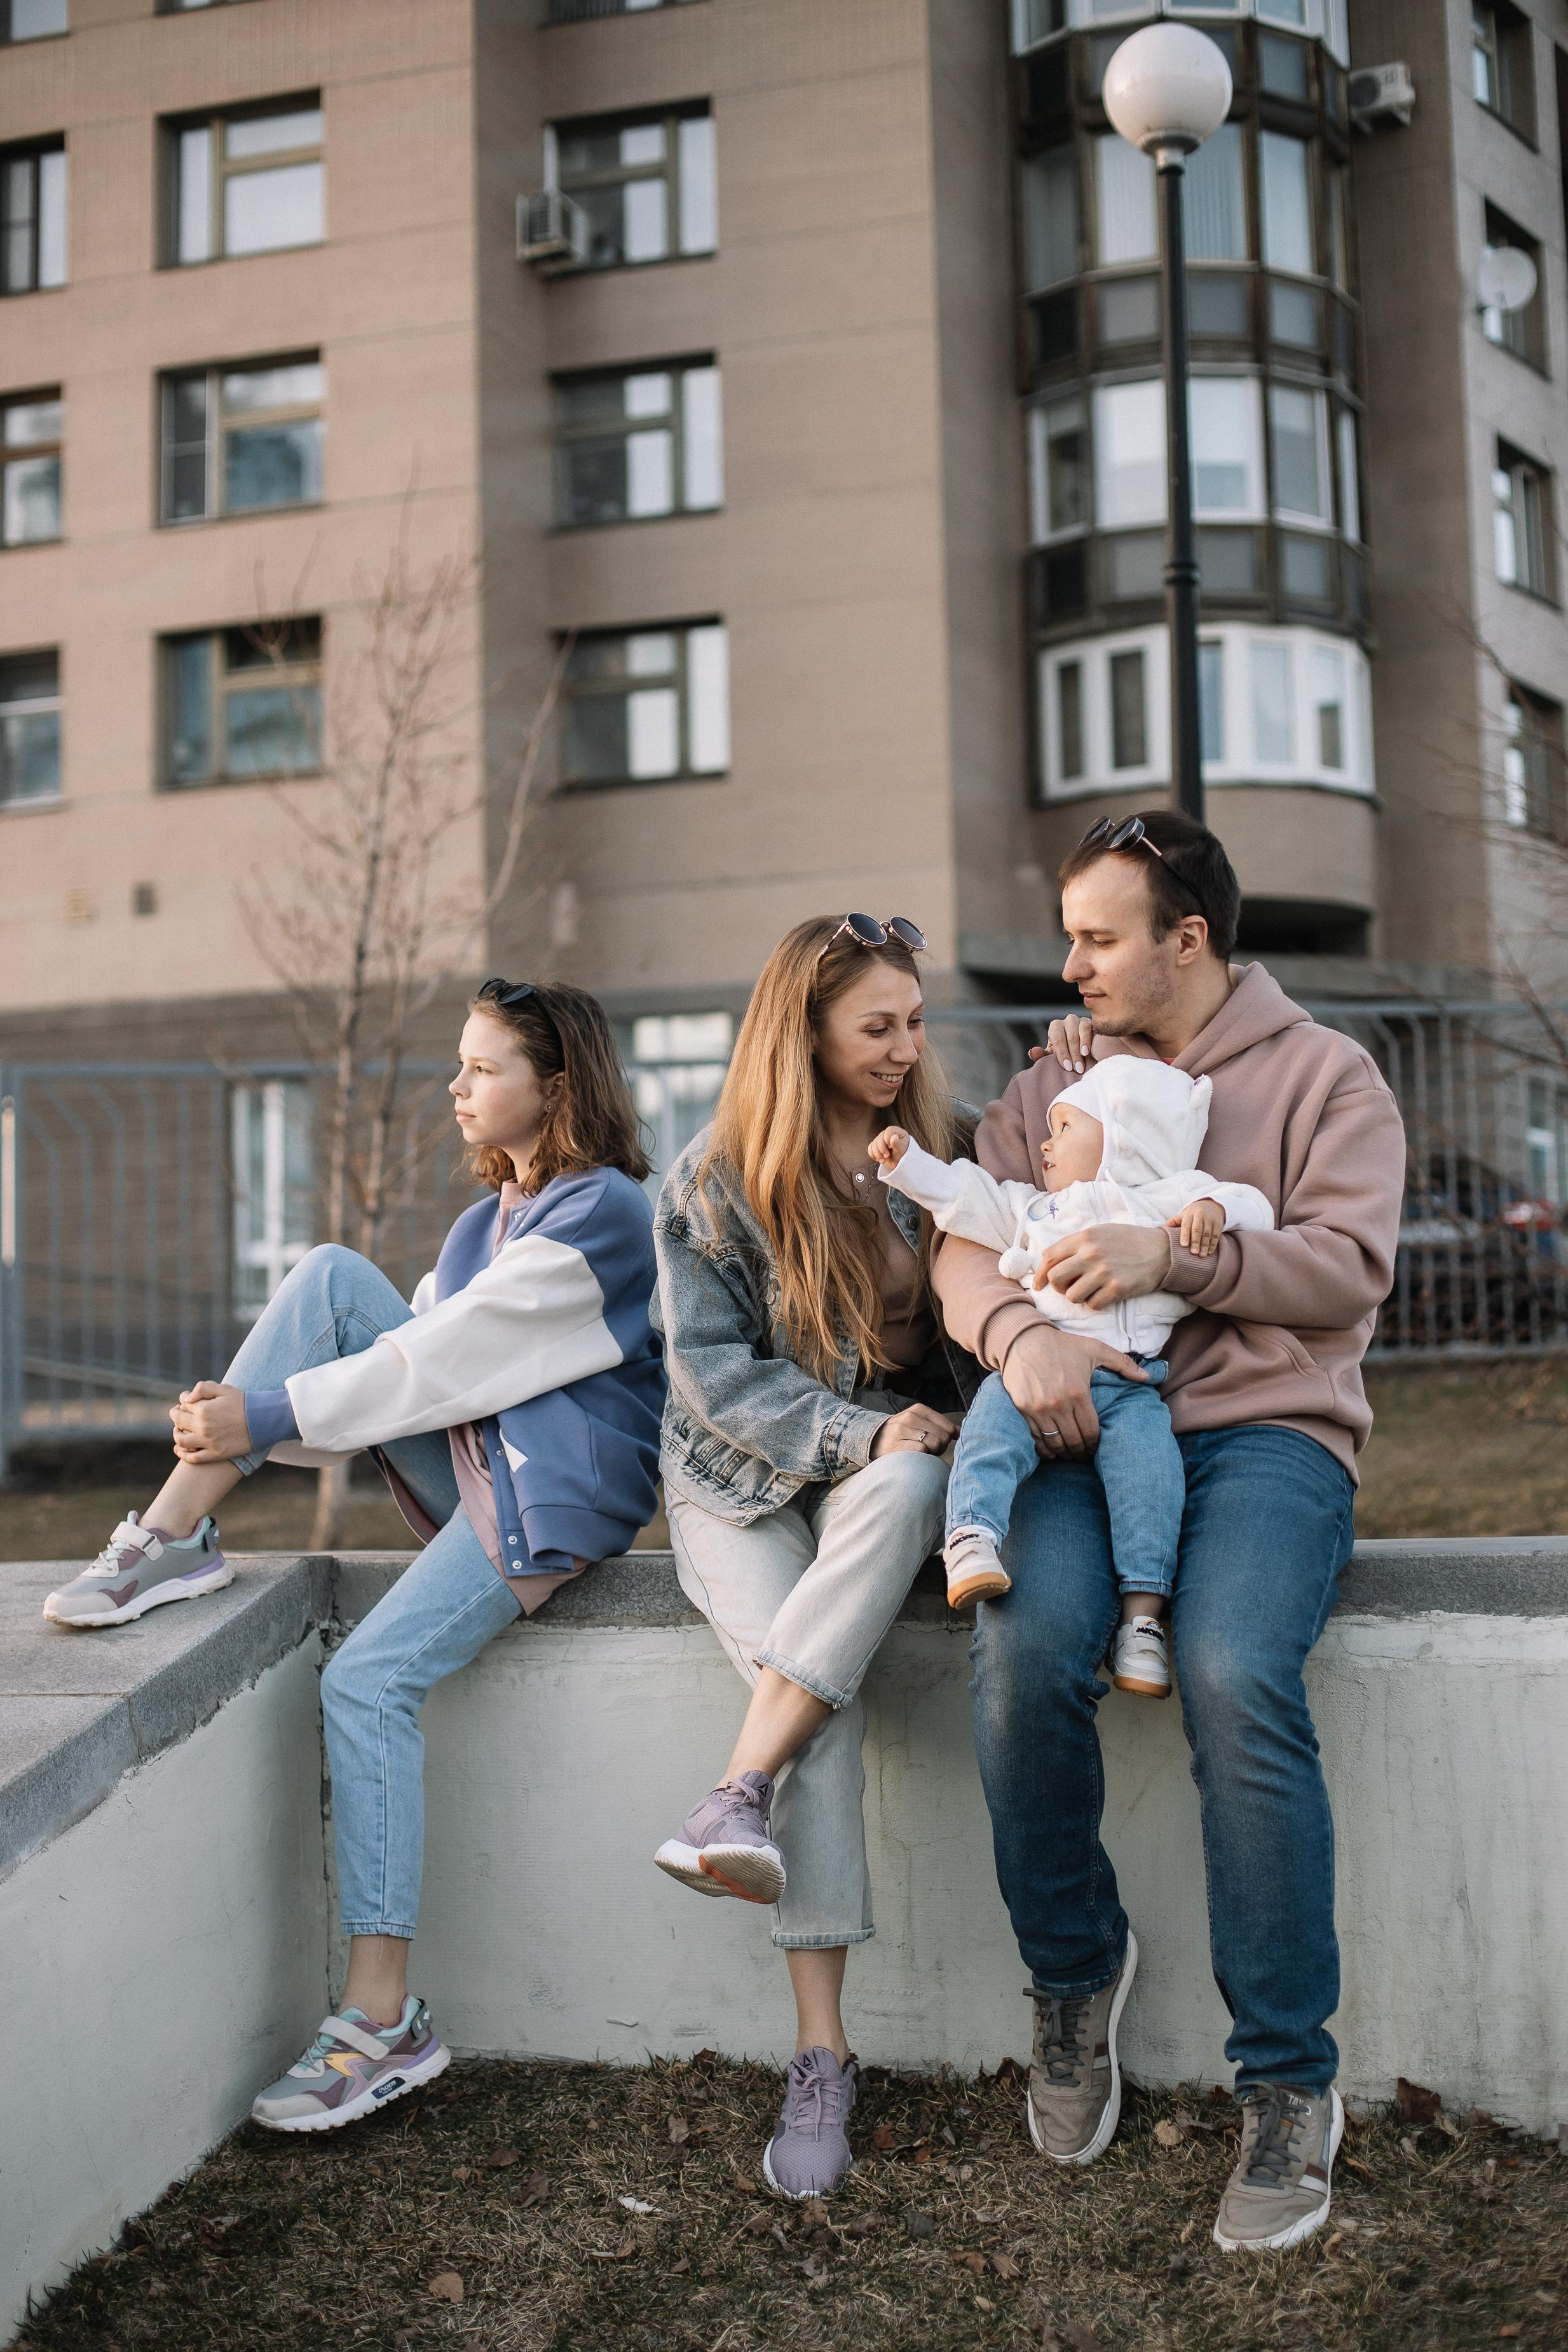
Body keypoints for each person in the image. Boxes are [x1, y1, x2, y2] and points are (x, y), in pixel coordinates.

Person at [46, 978, 664, 2133]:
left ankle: (383, 2022)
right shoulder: (486, 1222)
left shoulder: (607, 1215)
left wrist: (265, 1417)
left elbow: (444, 1363)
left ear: (558, 1085)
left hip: (550, 1505)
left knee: (369, 1679)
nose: (456, 1086)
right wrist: (254, 1417)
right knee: (334, 1276)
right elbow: (410, 1342)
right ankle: (173, 1532)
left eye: (483, 1067)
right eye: (460, 1065)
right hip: (479, 1469)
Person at [932, 810, 1405, 2253]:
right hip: (1084, 1430)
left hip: (1266, 1437)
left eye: (1097, 935)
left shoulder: (1326, 1073)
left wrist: (1177, 1256)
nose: (1069, 962)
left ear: (1183, 937)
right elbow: (965, 1233)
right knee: (1021, 1655)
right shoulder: (1048, 1081)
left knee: (1228, 1667)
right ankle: (1074, 1973)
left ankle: (1285, 2080)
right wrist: (1021, 1339)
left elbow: (1344, 1266)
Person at [650, 913, 977, 2199]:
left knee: (909, 1474)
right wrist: (864, 1421)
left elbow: (1068, 1149)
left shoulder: (940, 1147)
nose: (905, 1047)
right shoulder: (713, 1177)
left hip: (875, 1477)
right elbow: (712, 1378)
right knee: (822, 1710)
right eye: (875, 1026)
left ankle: (731, 1790)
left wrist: (1087, 1067)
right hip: (738, 1481)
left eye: (915, 1020)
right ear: (807, 1033)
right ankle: (822, 2055)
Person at [868, 1054, 1274, 1695]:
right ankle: (971, 1537)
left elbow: (1254, 1205)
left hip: (1131, 1385)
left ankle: (1143, 1622)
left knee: (1151, 1481)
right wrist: (908, 1164)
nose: (1046, 1145)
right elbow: (965, 1198)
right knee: (988, 1433)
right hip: (1038, 1367)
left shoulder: (1166, 1199)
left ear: (1123, 1134)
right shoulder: (1036, 1209)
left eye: (1065, 1129)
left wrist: (1211, 1212)